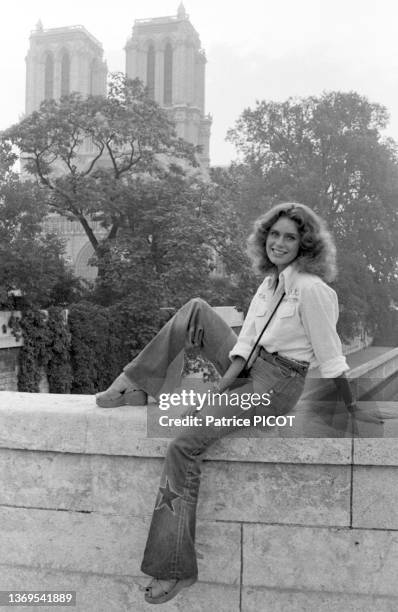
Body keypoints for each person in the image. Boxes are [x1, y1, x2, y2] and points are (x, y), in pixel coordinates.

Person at [95, 202, 379, 605]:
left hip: (278, 384)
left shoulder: (313, 291)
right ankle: (135, 383)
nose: (279, 243)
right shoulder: (268, 285)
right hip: (252, 369)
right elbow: (243, 348)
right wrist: (217, 392)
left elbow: (332, 358)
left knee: (182, 447)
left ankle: (175, 568)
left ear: (306, 245)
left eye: (290, 237)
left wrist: (351, 408)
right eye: (274, 234)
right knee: (196, 309)